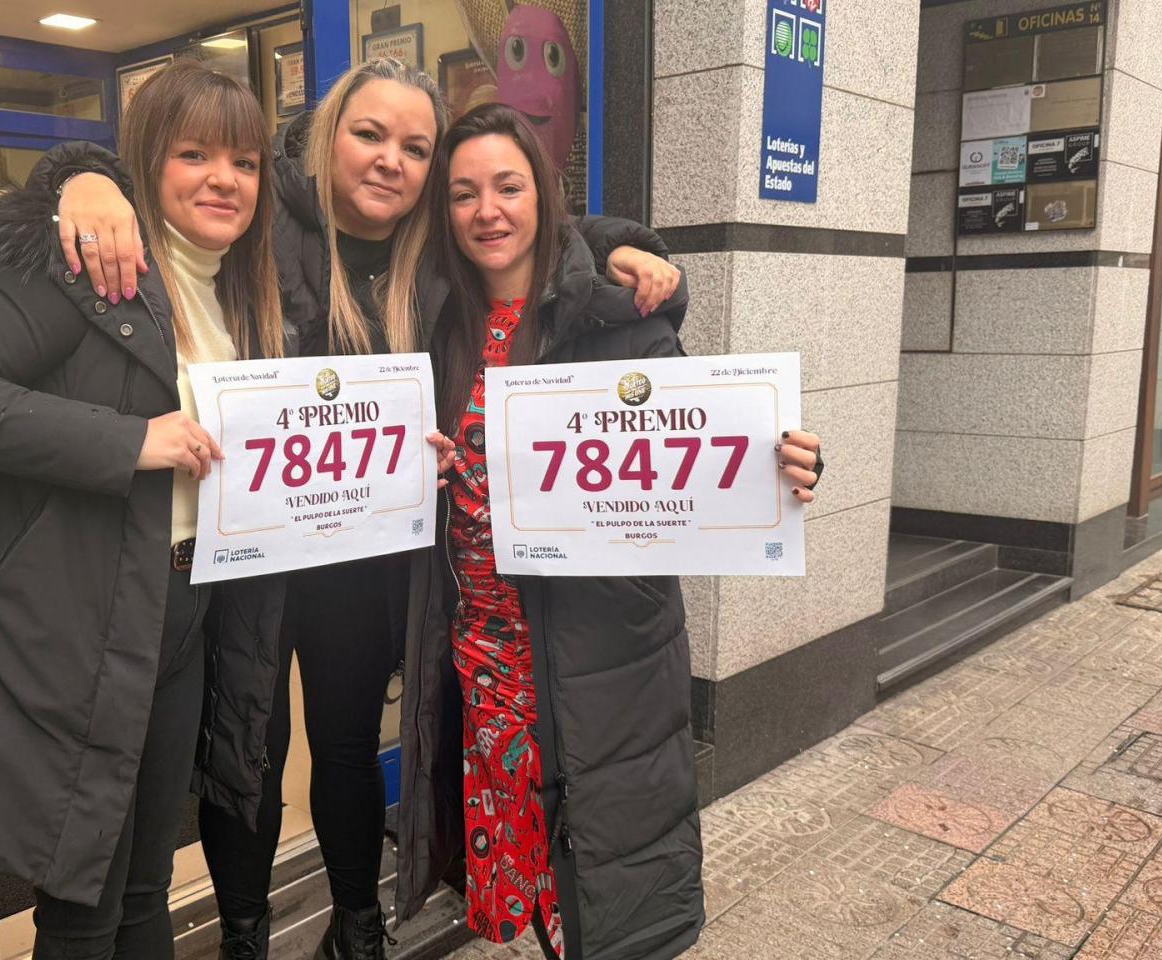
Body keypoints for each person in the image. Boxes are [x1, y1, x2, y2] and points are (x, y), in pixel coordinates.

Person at [42, 58, 683, 960]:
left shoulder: (439, 244)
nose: (391, 160)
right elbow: (164, 185)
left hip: (366, 555)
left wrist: (636, 249)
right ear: (326, 137)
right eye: (370, 135)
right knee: (247, 759)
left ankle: (356, 927)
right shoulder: (261, 218)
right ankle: (244, 936)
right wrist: (81, 177)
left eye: (415, 147)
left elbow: (545, 237)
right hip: (250, 549)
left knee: (345, 745)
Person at [0, 62, 289, 960]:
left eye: (245, 161)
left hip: (188, 610)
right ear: (147, 161)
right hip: (89, 611)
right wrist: (128, 443)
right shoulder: (83, 264)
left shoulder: (241, 288)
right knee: (84, 899)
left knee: (148, 879)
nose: (224, 179)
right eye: (194, 153)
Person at [393, 103, 823, 960]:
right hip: (485, 656)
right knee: (518, 877)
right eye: (465, 193)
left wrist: (785, 466)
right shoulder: (434, 330)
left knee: (605, 880)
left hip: (598, 653)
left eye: (509, 187)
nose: (489, 211)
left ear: (544, 197)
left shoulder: (621, 320)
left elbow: (704, 453)